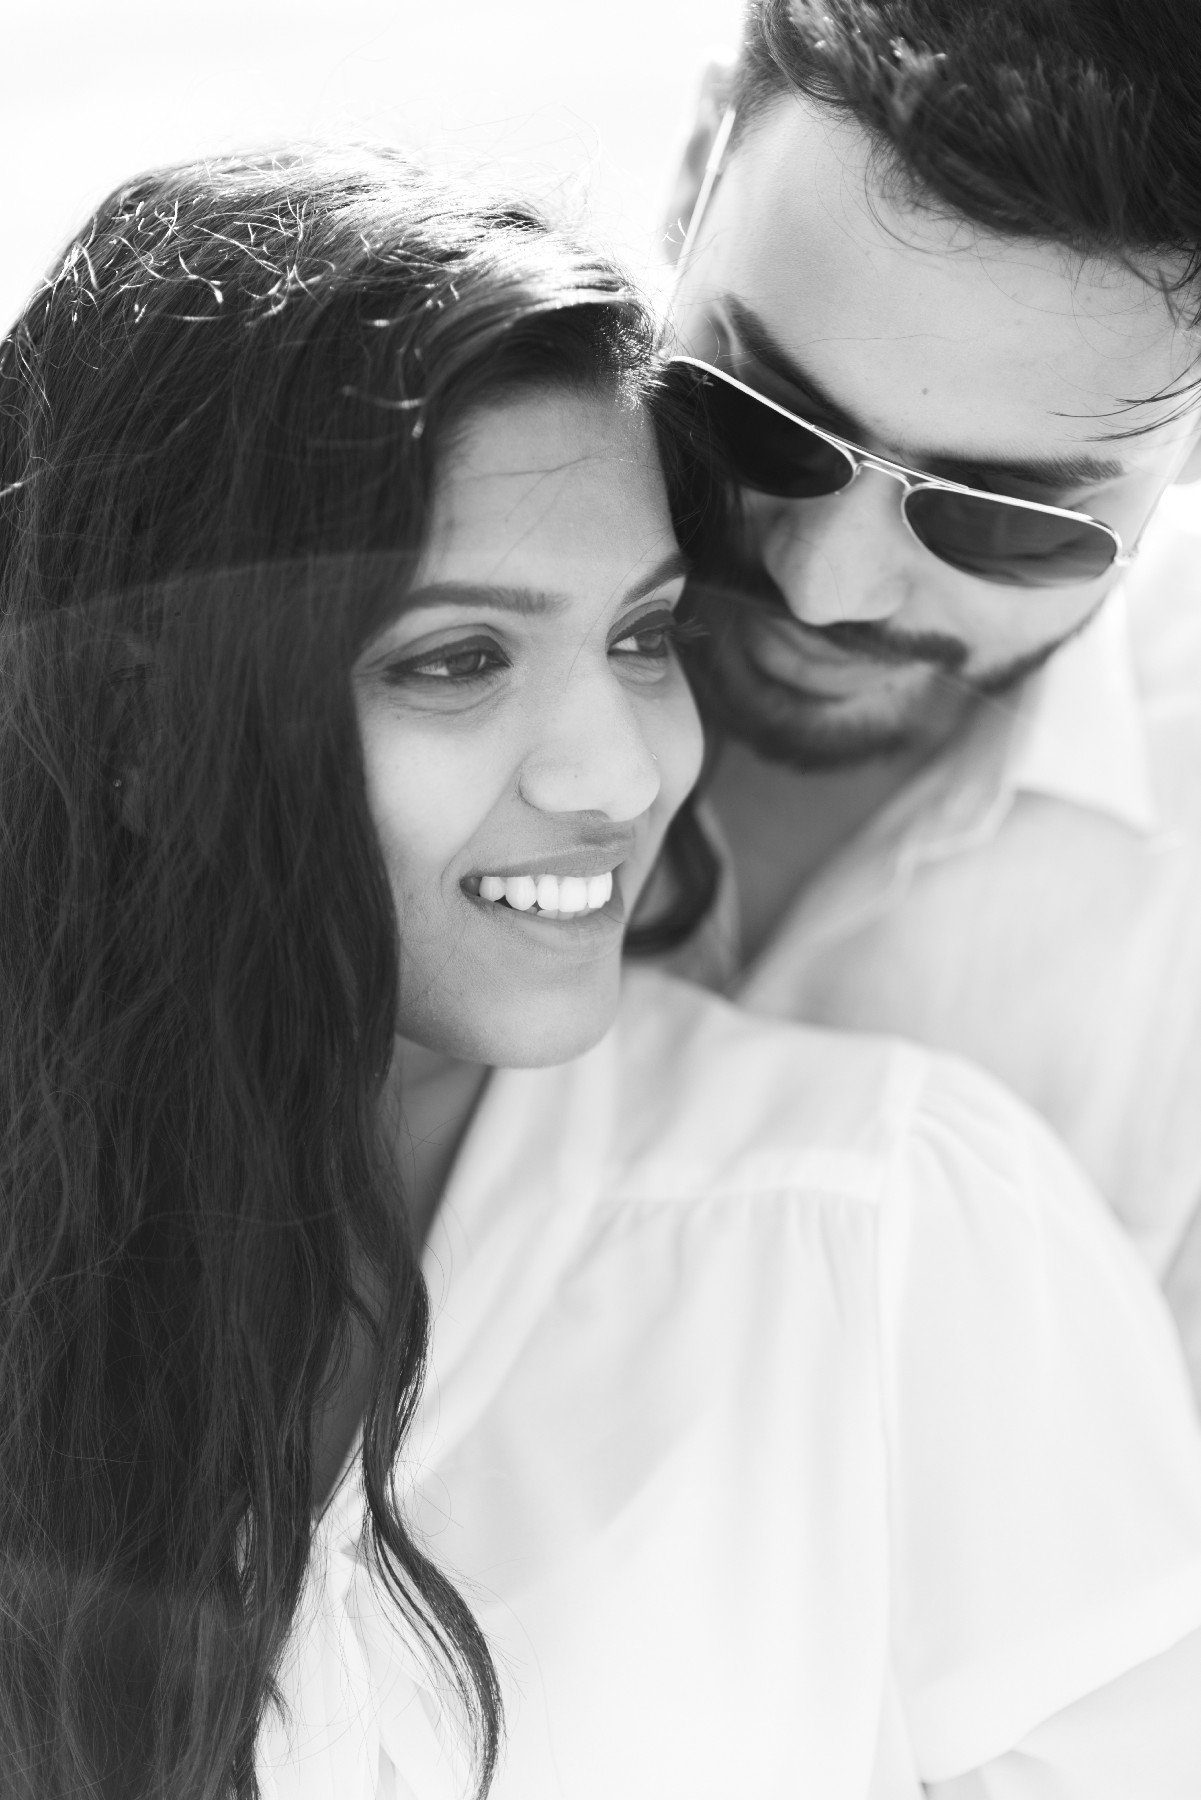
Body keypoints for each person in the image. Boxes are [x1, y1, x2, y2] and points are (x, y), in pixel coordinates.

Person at [5, 148, 1201, 1800]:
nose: (623, 773)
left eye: (642, 636)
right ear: (140, 723)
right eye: (456, 659)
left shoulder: (881, 1224)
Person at [663, 0, 1201, 1398]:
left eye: (1002, 520)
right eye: (761, 421)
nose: (826, 585)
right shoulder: (358, 567)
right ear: (694, 167)